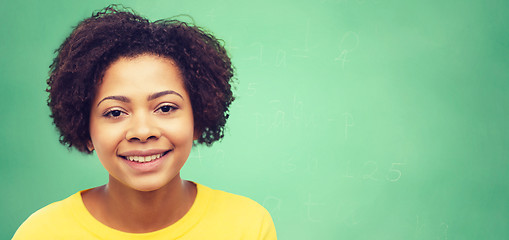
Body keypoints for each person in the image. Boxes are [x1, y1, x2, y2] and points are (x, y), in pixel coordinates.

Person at [13, 5, 276, 239]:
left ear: (199, 119)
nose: (142, 131)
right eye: (115, 112)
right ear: (85, 129)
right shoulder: (41, 233)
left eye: (165, 107)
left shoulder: (247, 226)